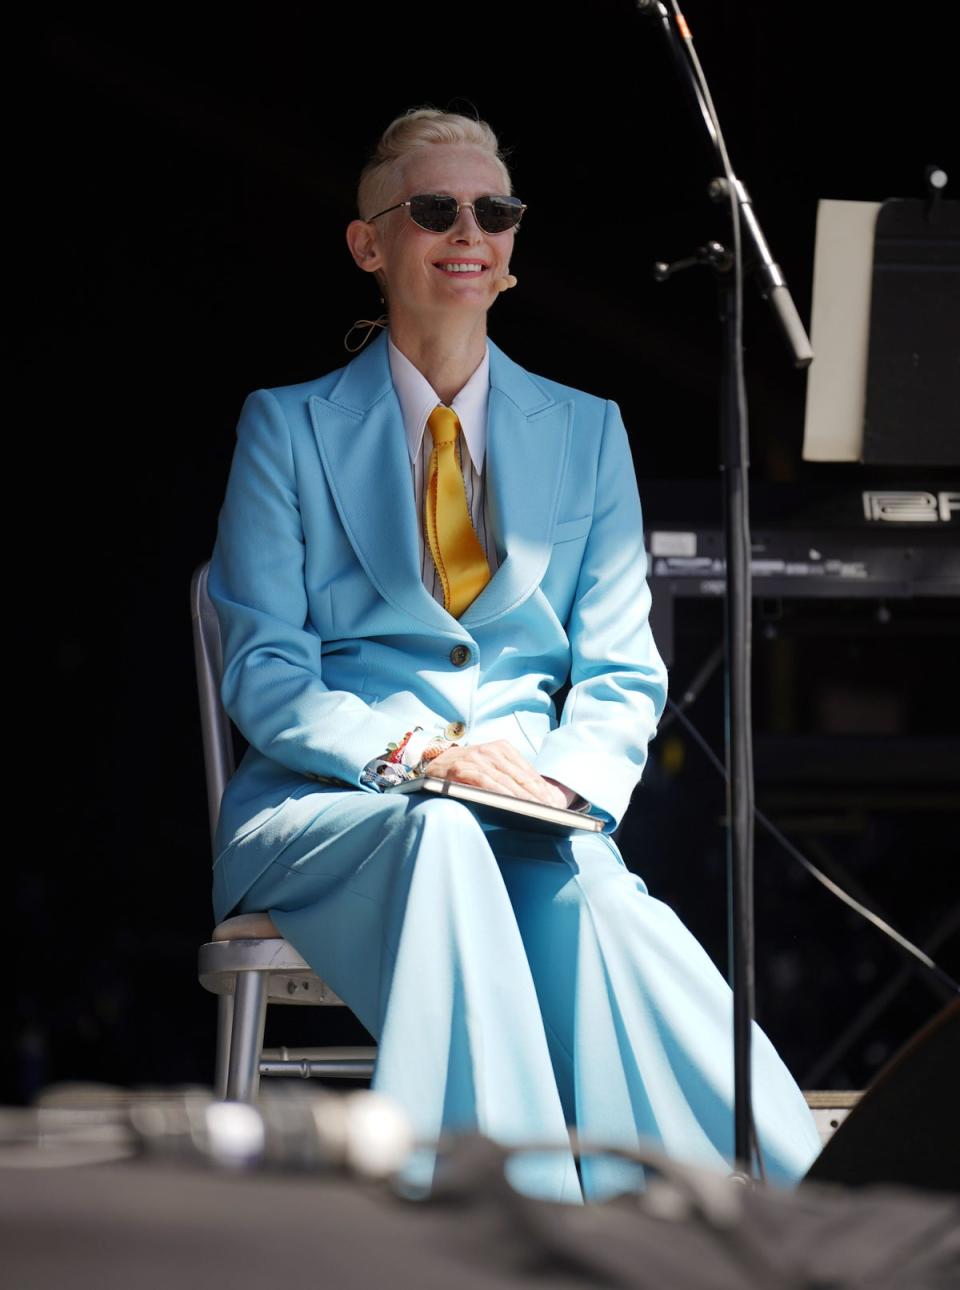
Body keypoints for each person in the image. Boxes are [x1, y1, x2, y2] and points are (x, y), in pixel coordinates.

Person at [208, 108, 821, 1202]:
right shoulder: (285, 426)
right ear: (369, 243)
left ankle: (772, 1201)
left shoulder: (587, 430)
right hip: (331, 808)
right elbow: (265, 673)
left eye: (494, 212)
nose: (469, 232)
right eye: (435, 209)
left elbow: (623, 673)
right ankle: (501, 1216)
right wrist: (421, 756)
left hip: (528, 805)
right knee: (445, 837)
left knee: (602, 895)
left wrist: (563, 791)